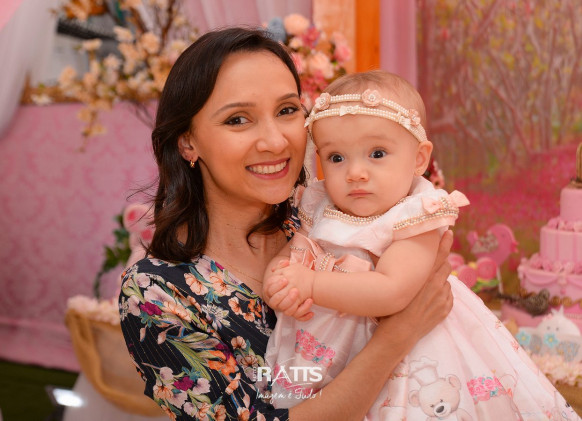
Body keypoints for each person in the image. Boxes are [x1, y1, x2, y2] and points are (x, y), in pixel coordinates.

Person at [118, 27, 455, 421]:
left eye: (287, 110)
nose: (276, 142)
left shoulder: (332, 216)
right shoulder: (157, 293)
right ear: (188, 142)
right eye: (238, 119)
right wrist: (397, 335)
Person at [262, 70, 580, 420]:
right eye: (337, 157)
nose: (355, 172)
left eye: (377, 153)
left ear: (419, 158)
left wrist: (309, 284)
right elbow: (296, 248)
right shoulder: (319, 202)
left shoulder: (415, 213)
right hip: (321, 346)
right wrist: (280, 275)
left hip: (406, 353)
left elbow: (392, 290)